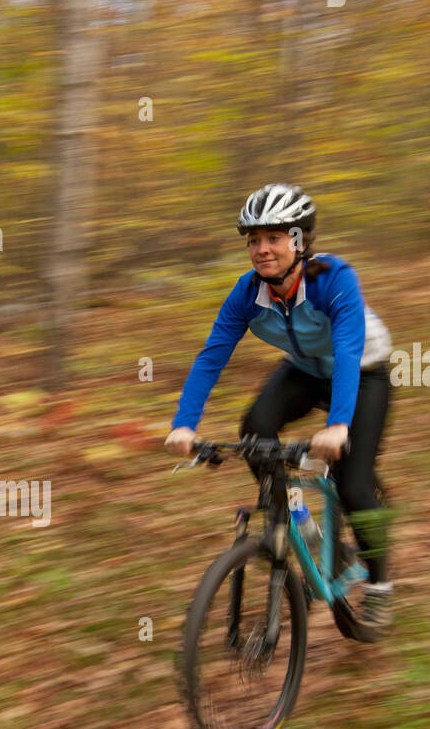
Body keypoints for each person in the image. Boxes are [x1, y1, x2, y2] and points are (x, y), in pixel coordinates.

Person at [165, 183, 393, 628]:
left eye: (273, 237)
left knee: (354, 486)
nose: (261, 249)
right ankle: (298, 525)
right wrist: (184, 425)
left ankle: (381, 586)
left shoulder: (334, 278)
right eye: (254, 240)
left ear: (300, 240)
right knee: (255, 428)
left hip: (363, 372)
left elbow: (347, 350)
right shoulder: (247, 293)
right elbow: (212, 356)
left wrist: (338, 424)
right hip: (305, 370)